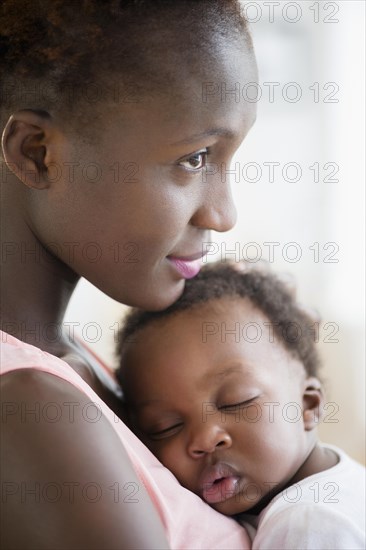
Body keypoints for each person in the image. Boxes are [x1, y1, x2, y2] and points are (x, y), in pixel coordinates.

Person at [0, 1, 257, 548]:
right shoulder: (29, 407)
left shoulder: (71, 363)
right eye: (195, 158)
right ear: (38, 154)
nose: (223, 215)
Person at [117, 262, 366, 550]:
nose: (204, 439)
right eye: (165, 427)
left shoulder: (308, 523)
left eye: (236, 401)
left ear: (307, 405)